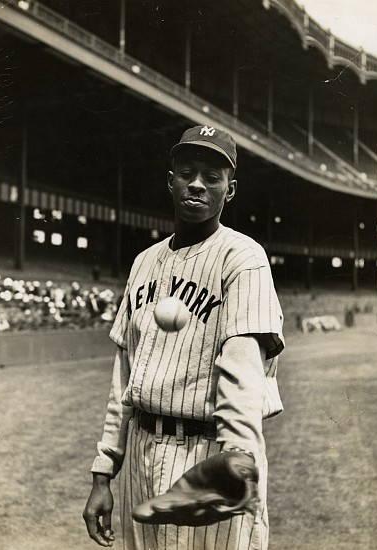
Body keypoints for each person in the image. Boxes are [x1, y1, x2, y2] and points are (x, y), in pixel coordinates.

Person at [83, 125, 285, 549]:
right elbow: (124, 378)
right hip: (142, 452)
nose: (197, 184)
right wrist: (104, 472)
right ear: (170, 180)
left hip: (209, 455)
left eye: (212, 177)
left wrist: (236, 459)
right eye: (187, 171)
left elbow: (243, 368)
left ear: (229, 190)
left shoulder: (243, 257)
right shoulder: (143, 263)